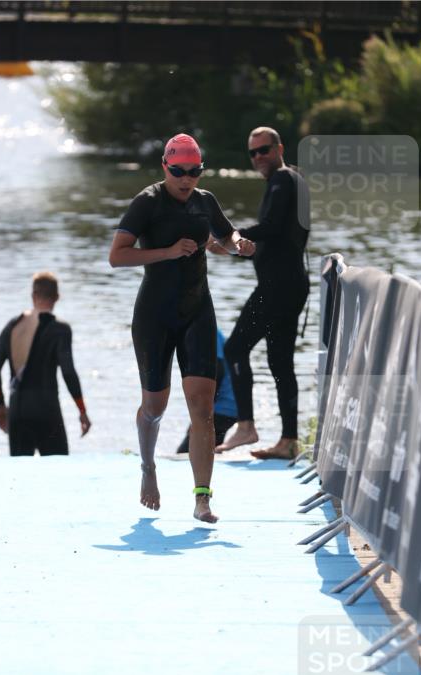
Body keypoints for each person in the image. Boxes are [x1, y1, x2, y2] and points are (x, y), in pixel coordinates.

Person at [109, 133, 255, 523]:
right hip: (154, 316)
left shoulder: (205, 202)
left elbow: (226, 235)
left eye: (194, 171)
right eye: (179, 171)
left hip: (197, 312)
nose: (186, 178)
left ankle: (202, 498)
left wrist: (239, 243)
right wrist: (168, 253)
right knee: (155, 407)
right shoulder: (147, 202)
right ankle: (148, 467)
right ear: (165, 167)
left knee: (202, 409)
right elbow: (116, 256)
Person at [215, 126, 309, 460]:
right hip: (291, 283)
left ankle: (245, 425)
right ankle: (288, 441)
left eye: (264, 150)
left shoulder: (283, 180)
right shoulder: (294, 180)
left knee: (235, 348)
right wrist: (244, 250)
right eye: (253, 153)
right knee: (280, 362)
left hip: (277, 287)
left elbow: (269, 228)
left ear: (279, 148)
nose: (258, 158)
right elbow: (281, 238)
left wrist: (230, 238)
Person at [0, 271, 91, 456]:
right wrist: (82, 410)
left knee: (18, 477)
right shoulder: (60, 329)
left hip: (18, 411)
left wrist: (1, 406)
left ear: (33, 296)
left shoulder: (13, 325)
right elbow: (68, 372)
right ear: (57, 297)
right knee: (57, 472)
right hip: (47, 410)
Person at [176, 329, 237, 453]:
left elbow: (218, 371)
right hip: (232, 406)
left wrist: (204, 411)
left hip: (223, 406)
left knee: (184, 453)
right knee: (210, 452)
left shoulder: (208, 331)